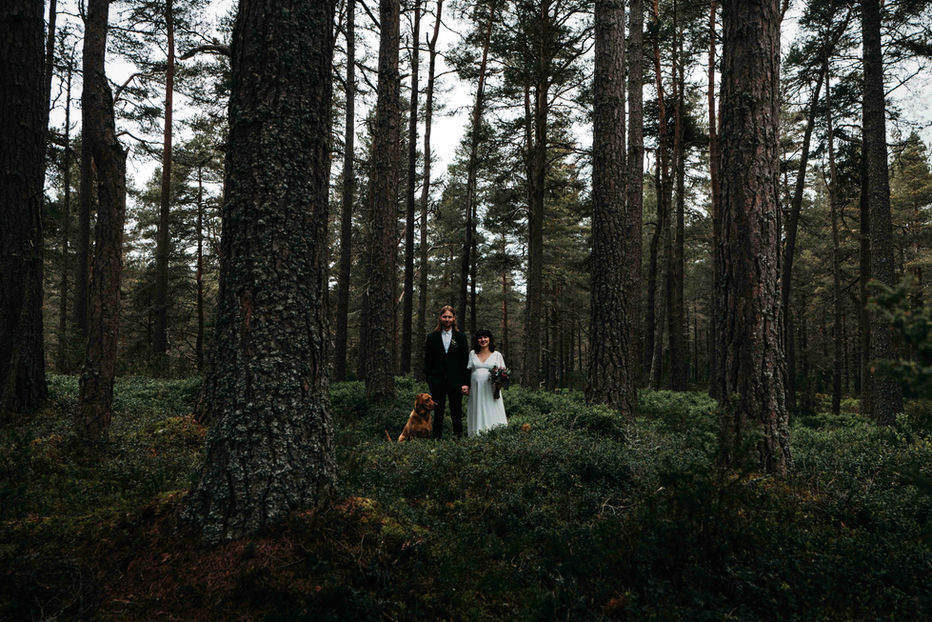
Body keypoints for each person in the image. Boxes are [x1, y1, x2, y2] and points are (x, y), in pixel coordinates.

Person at [423, 305, 470, 439]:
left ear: (454, 318)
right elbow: (428, 361)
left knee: (456, 410)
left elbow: (465, 361)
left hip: (456, 381)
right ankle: (436, 437)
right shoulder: (432, 337)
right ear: (440, 318)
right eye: (444, 317)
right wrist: (430, 379)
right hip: (437, 381)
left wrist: (465, 382)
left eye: (450, 317)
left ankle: (458, 436)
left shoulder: (460, 337)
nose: (447, 319)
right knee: (438, 411)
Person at [466, 329, 508, 436]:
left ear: (490, 339)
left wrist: (498, 387)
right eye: (480, 338)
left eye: (485, 337)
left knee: (492, 408)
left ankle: (494, 433)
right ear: (477, 340)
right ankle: (477, 434)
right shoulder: (472, 354)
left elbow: (503, 373)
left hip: (491, 389)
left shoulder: (496, 355)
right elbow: (468, 371)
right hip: (476, 389)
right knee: (477, 409)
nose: (483, 340)